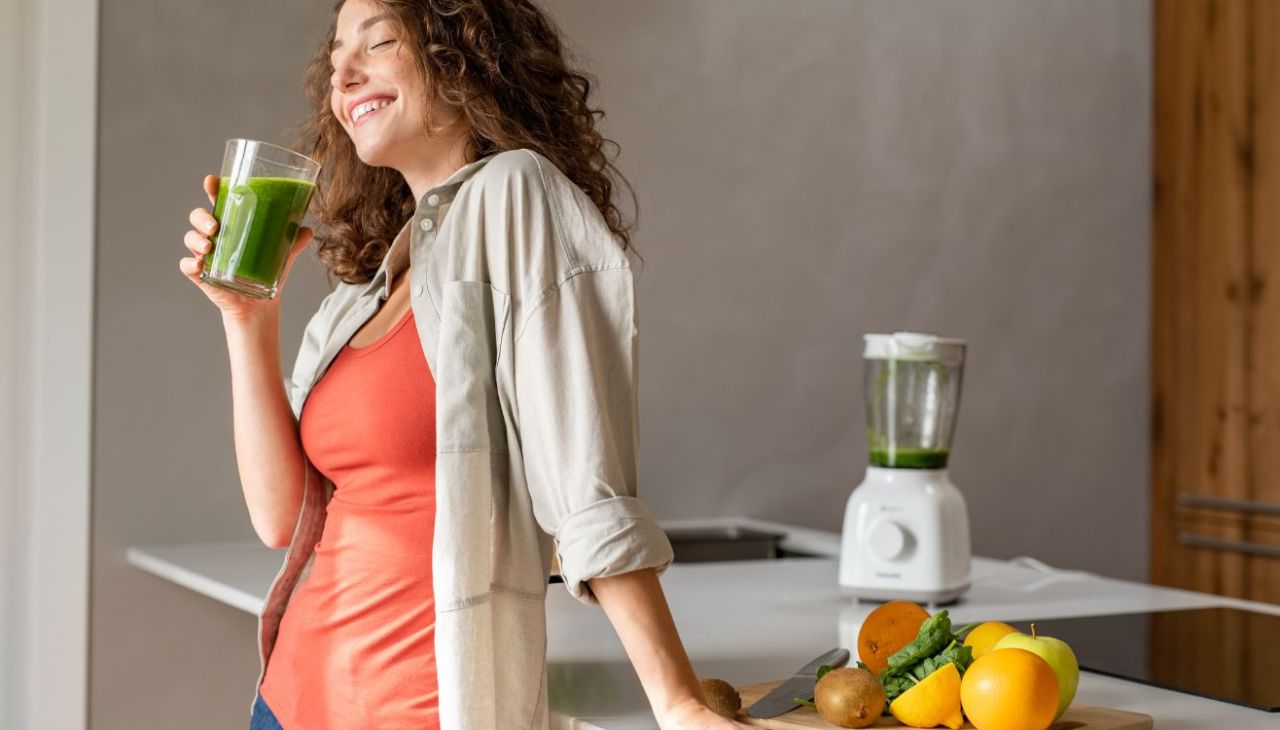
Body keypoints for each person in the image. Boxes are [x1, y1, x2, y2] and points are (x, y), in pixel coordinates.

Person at [179, 1, 753, 728]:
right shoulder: (366, 290)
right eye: (334, 60)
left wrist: (677, 700)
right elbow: (281, 519)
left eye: (378, 41)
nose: (343, 72)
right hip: (284, 703)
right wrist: (248, 319)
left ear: (464, 58)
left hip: (419, 711)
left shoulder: (517, 196)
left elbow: (586, 483)